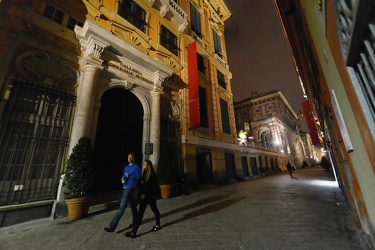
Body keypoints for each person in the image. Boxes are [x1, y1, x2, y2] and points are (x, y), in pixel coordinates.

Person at [104, 152, 141, 232]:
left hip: (130, 187)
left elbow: (138, 177)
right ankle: (137, 220)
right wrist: (122, 179)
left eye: (131, 157)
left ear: (134, 158)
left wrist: (131, 176)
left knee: (122, 206)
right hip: (125, 187)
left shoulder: (136, 167)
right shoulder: (126, 167)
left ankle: (112, 226)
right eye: (128, 157)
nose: (129, 159)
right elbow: (123, 176)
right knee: (132, 205)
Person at [125, 160, 161, 238]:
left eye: (145, 164)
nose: (144, 165)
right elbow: (141, 185)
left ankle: (158, 224)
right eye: (143, 163)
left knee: (155, 210)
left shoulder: (152, 174)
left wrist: (154, 195)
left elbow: (155, 186)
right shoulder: (144, 173)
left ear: (148, 165)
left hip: (150, 197)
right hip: (144, 198)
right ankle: (133, 233)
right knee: (140, 215)